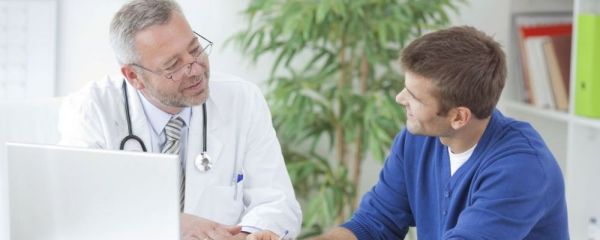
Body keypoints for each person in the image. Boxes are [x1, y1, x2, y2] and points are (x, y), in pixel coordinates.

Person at [255, 26, 570, 239]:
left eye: (415, 97)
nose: (399, 99)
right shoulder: (418, 139)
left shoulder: (522, 168)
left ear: (459, 116)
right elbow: (371, 226)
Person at [58, 0, 301, 239]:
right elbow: (82, 210)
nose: (195, 69)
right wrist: (172, 221)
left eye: (195, 49)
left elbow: (276, 201)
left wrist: (251, 234)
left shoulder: (242, 99)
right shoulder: (91, 110)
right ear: (134, 76)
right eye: (173, 65)